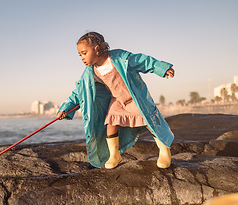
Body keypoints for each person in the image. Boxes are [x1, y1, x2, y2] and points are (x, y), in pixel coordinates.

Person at [58, 32, 175, 169]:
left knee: (149, 121)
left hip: (134, 97)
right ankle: (114, 154)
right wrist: (66, 108)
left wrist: (161, 68)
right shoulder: (90, 72)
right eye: (80, 55)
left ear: (96, 48)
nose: (82, 58)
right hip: (118, 100)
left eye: (84, 53)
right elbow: (79, 92)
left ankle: (164, 149)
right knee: (111, 122)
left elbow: (142, 60)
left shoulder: (120, 58)